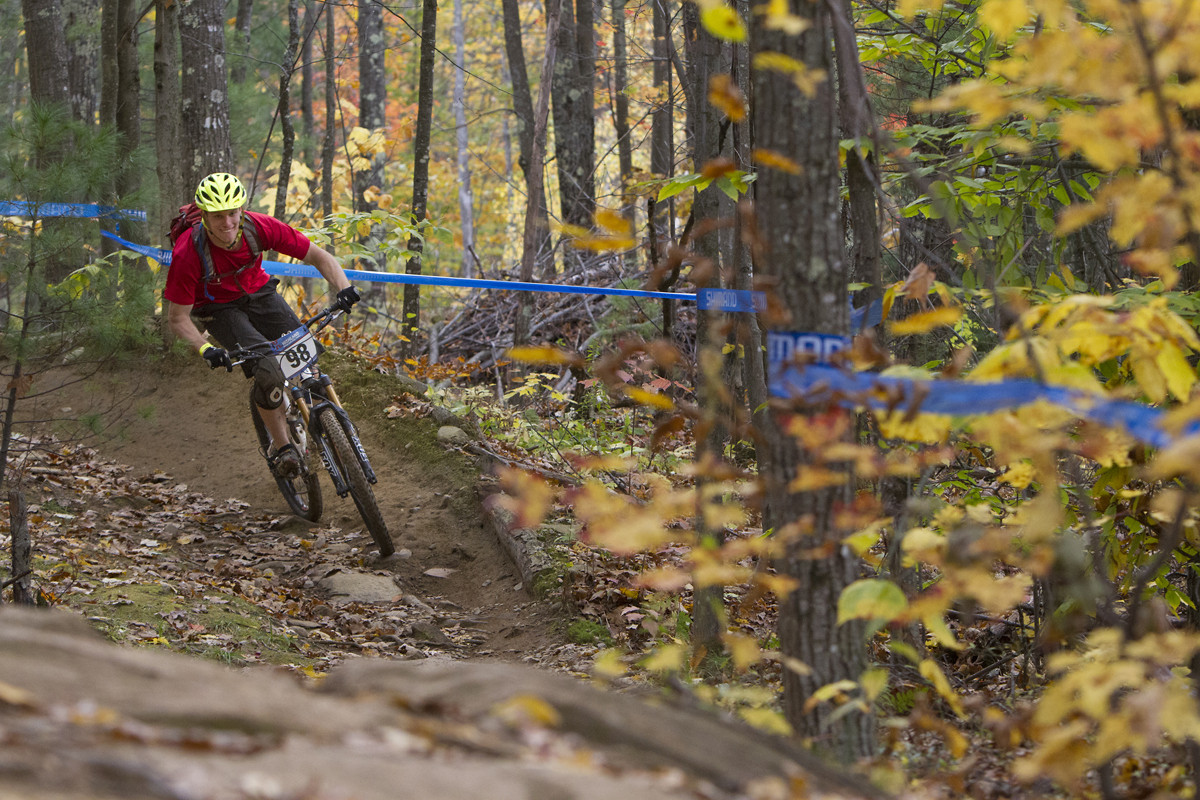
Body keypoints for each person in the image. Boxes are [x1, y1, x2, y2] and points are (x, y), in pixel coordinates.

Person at [164, 172, 360, 478]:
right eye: (218, 216)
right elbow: (177, 318)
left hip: (260, 293)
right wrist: (205, 348)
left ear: (241, 210)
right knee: (268, 372)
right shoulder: (188, 252)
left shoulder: (259, 227)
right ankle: (282, 448)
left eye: (232, 213)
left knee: (306, 356)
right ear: (204, 216)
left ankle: (328, 424)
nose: (227, 223)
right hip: (217, 308)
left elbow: (318, 256)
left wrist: (343, 287)